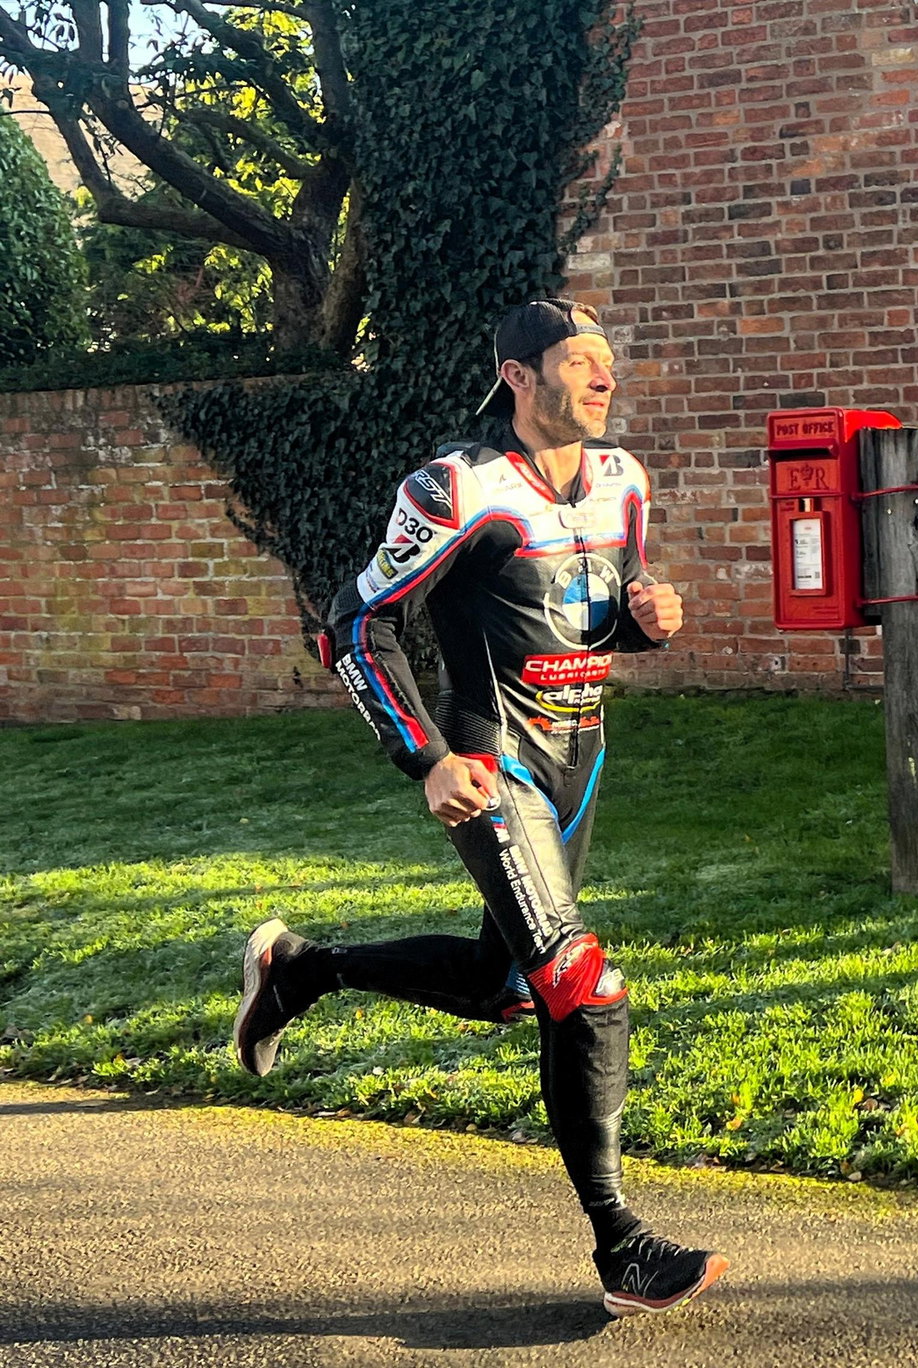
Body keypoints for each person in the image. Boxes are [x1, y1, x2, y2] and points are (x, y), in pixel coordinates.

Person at [230, 298, 727, 1318]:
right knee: (585, 989)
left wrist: (646, 621)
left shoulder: (625, 483)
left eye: (607, 364)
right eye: (578, 363)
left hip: (582, 760)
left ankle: (298, 970)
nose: (603, 379)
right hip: (496, 765)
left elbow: (597, 613)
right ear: (519, 377)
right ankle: (621, 1244)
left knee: (512, 988)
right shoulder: (459, 488)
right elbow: (355, 623)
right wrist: (425, 757)